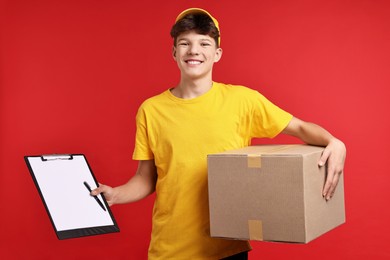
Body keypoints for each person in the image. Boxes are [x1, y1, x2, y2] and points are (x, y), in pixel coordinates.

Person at [92, 8, 346, 260]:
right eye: (185, 43)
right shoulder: (151, 110)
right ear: (174, 52)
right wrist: (116, 194)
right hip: (169, 249)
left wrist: (334, 142)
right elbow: (146, 178)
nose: (194, 50)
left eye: (204, 43)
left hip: (227, 249)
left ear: (217, 54)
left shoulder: (242, 100)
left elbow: (300, 128)